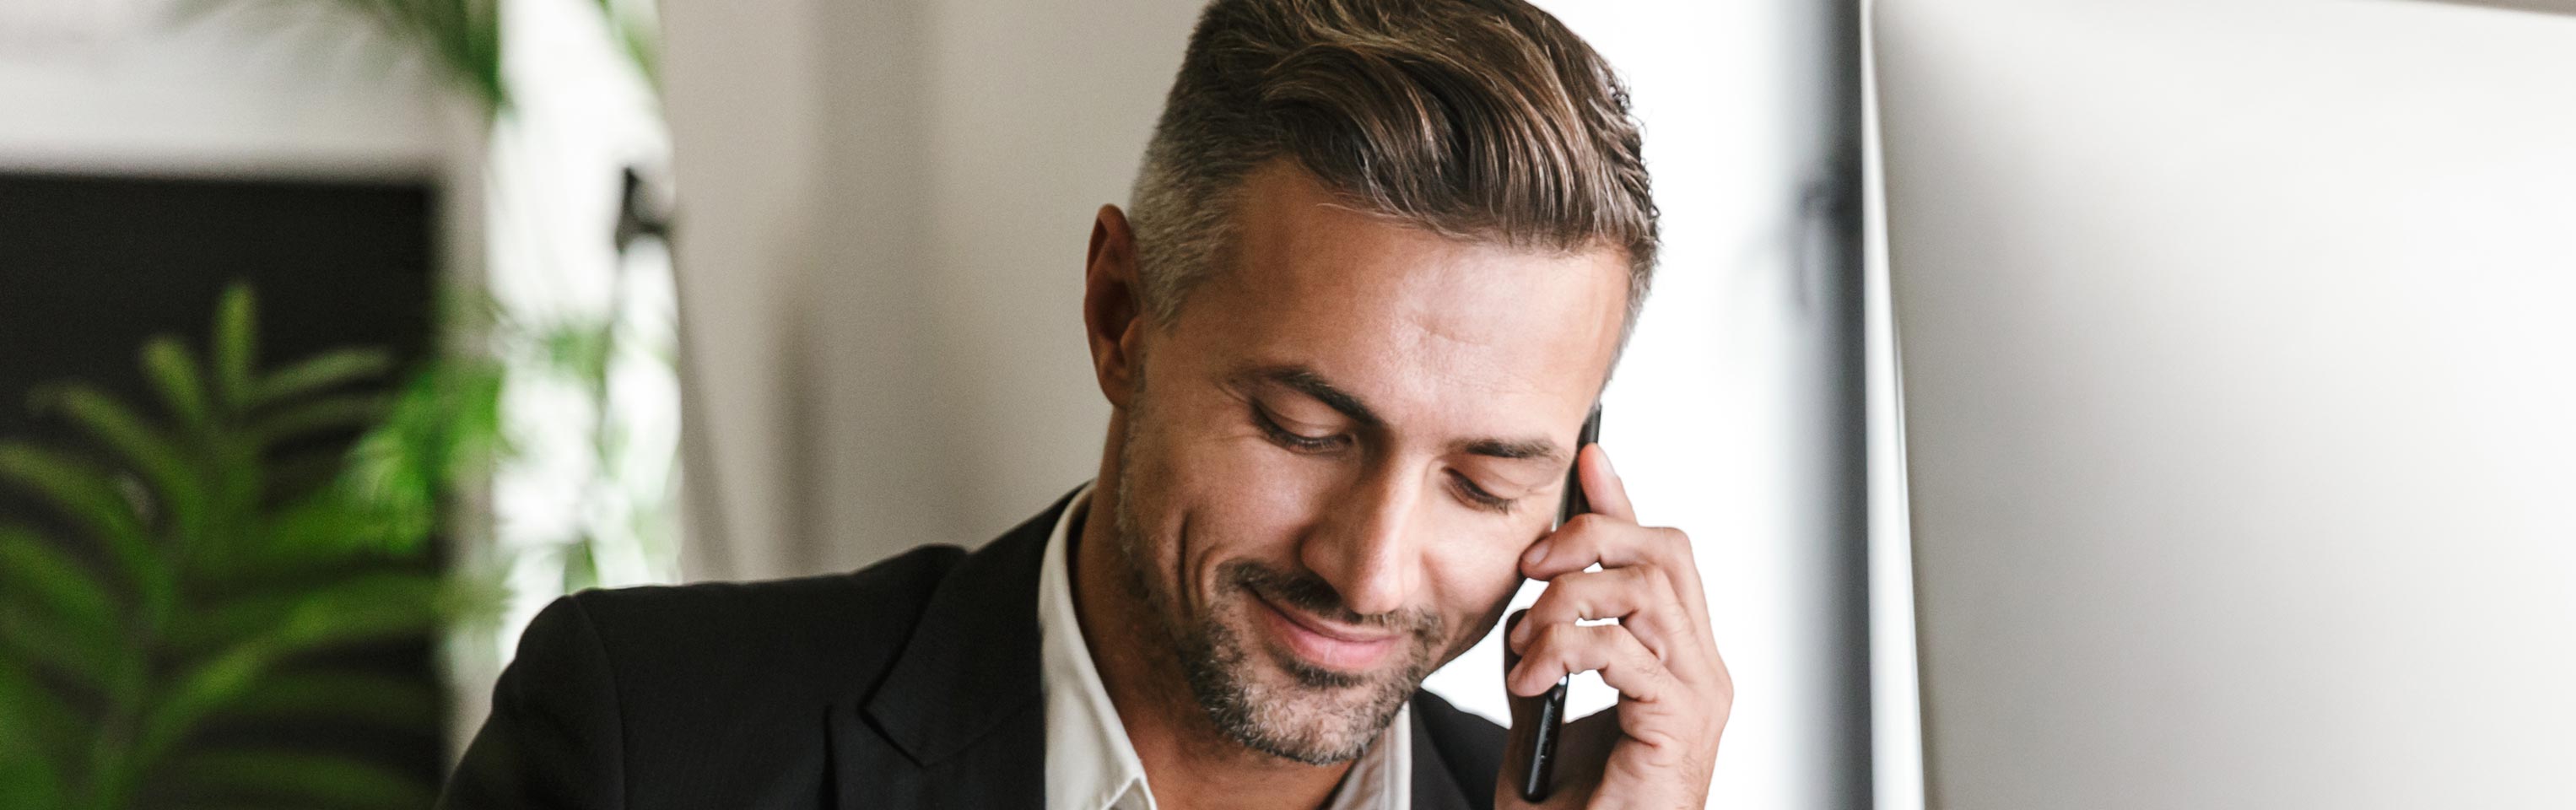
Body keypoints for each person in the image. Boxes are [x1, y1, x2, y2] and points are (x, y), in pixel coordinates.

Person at [438, 0, 1730, 807]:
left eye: (1485, 480)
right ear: (1122, 312)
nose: (1370, 566)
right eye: (1306, 428)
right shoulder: (647, 741)